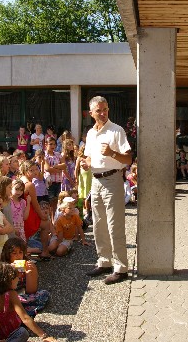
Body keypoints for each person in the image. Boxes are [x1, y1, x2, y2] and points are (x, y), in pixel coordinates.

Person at [81, 96, 132, 285]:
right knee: (99, 224)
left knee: (114, 225)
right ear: (91, 113)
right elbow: (88, 158)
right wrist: (86, 165)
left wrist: (112, 153)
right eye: (99, 111)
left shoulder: (116, 131)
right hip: (96, 180)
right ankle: (104, 261)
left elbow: (128, 160)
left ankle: (121, 268)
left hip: (112, 180)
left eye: (105, 110)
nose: (103, 113)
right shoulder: (91, 133)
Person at [0, 262, 56, 341]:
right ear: (9, 280)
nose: (18, 279)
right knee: (23, 332)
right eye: (16, 277)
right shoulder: (11, 295)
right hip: (12, 331)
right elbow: (25, 318)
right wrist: (44, 336)